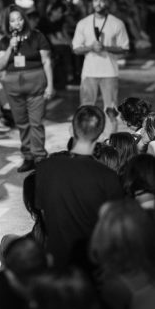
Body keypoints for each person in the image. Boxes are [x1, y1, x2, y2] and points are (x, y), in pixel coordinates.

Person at [35, 105, 124, 269]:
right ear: (100, 135)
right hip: (91, 265)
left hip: (57, 262)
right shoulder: (108, 177)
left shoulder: (45, 168)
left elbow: (42, 214)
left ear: (71, 130)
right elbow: (113, 226)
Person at [0, 6, 55, 173]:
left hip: (36, 85)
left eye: (20, 19)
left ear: (24, 20)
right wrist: (10, 47)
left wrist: (50, 85)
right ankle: (28, 156)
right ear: (8, 23)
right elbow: (0, 65)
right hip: (14, 87)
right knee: (22, 123)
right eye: (13, 20)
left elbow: (46, 61)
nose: (17, 23)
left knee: (36, 122)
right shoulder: (4, 40)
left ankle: (40, 156)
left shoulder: (37, 36)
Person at [72, 0, 130, 136]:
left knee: (111, 109)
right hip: (89, 72)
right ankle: (85, 137)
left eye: (102, 0)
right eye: (96, 0)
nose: (99, 3)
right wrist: (91, 47)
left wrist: (106, 47)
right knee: (86, 107)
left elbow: (124, 48)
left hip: (109, 72)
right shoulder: (83, 23)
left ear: (107, 3)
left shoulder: (117, 23)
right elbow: (76, 49)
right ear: (92, 2)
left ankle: (111, 138)